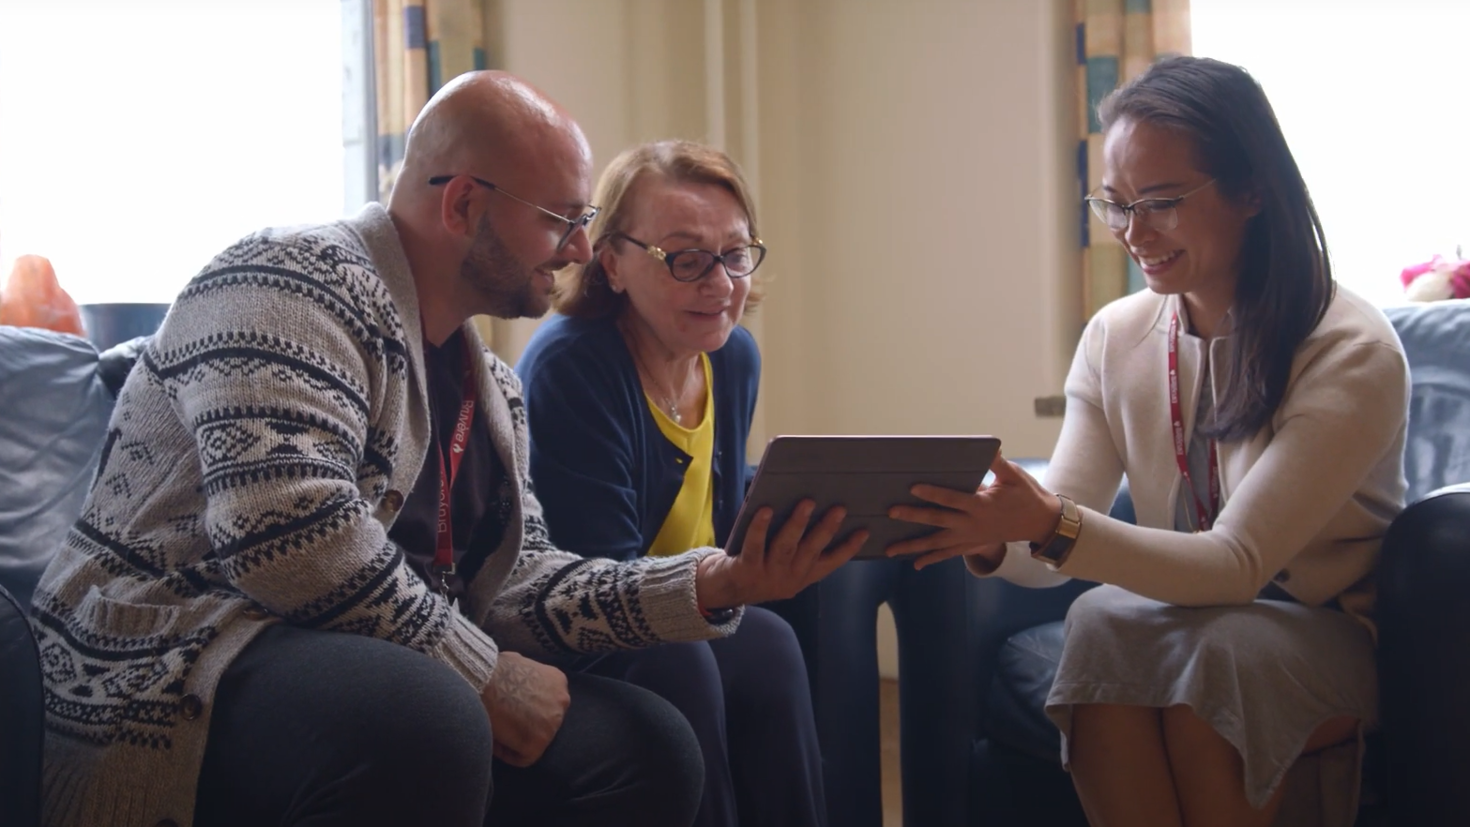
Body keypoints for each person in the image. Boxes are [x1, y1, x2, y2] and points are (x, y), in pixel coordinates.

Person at [27, 71, 866, 827]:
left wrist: (715, 581)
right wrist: (486, 676)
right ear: (464, 204)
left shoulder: (491, 387)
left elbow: (520, 582)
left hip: (368, 660)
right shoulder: (286, 280)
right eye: (561, 220)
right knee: (428, 712)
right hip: (178, 648)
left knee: (648, 743)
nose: (580, 249)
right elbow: (286, 535)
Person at [887, 56, 1409, 827]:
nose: (1135, 233)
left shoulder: (1348, 347)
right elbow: (1053, 540)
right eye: (1117, 204)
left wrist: (1049, 524)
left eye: (1161, 201)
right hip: (1197, 624)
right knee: (1101, 620)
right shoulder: (1117, 336)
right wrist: (994, 533)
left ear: (1252, 190)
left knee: (1214, 660)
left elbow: (1236, 565)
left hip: (1324, 633)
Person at [516, 140, 824, 827]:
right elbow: (586, 578)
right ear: (613, 263)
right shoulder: (573, 367)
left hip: (686, 607)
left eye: (736, 253)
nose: (719, 283)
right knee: (682, 658)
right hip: (581, 616)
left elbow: (720, 520)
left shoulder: (732, 354)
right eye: (686, 257)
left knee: (769, 645)